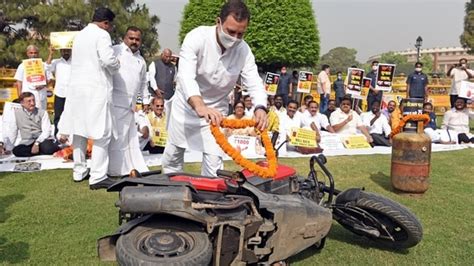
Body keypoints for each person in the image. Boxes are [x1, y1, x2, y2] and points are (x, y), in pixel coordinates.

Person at [162, 0, 268, 176]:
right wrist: (200, 106)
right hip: (186, 108)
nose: (235, 38)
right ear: (218, 22)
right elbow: (186, 77)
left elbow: (254, 81)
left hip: (216, 113)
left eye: (240, 34)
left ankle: (208, 203)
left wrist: (260, 107)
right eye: (231, 31)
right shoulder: (196, 37)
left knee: (214, 165)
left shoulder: (244, 50)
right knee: (173, 158)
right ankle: (170, 196)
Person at [60, 7, 120, 189]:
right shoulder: (102, 35)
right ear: (106, 23)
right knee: (103, 132)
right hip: (96, 90)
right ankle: (98, 176)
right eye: (110, 25)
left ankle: (79, 171)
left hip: (77, 91)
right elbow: (108, 60)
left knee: (79, 131)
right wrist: (118, 65)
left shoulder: (79, 35)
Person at [108, 26, 149, 176]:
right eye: (131, 38)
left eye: (137, 39)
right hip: (115, 101)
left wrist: (144, 100)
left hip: (130, 106)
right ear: (125, 38)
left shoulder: (141, 60)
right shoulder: (115, 51)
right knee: (116, 138)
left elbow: (143, 83)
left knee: (129, 138)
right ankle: (114, 170)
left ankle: (129, 167)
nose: (134, 41)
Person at [0, 92, 60, 157]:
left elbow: (47, 131)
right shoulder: (16, 113)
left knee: (48, 148)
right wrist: (9, 148)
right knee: (17, 151)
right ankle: (37, 151)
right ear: (22, 103)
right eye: (29, 101)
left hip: (41, 141)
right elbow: (13, 131)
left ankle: (37, 150)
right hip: (27, 142)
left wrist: (37, 143)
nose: (32, 103)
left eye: (33, 100)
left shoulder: (42, 112)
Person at [46, 46, 72, 137]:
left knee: (73, 116)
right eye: (64, 50)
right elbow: (47, 68)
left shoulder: (76, 61)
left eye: (68, 50)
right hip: (59, 93)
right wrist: (51, 53)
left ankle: (71, 137)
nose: (66, 52)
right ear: (60, 51)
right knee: (58, 116)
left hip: (73, 94)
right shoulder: (56, 62)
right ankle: (57, 136)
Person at [14, 45, 50, 110]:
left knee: (41, 116)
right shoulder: (22, 66)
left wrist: (42, 86)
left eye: (35, 53)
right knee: (27, 116)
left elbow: (49, 80)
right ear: (27, 53)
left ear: (38, 53)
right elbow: (19, 83)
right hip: (27, 96)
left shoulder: (43, 65)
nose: (33, 55)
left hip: (41, 95)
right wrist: (20, 98)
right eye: (31, 53)